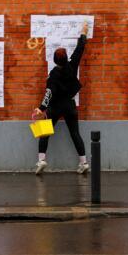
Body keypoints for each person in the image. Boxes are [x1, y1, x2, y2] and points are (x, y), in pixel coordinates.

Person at [32, 21, 90, 175]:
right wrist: (83, 32)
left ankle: (41, 160)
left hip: (55, 107)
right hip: (70, 106)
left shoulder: (54, 75)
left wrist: (41, 108)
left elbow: (49, 93)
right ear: (65, 59)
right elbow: (79, 49)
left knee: (45, 132)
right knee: (75, 134)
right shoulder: (72, 66)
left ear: (55, 60)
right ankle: (84, 162)